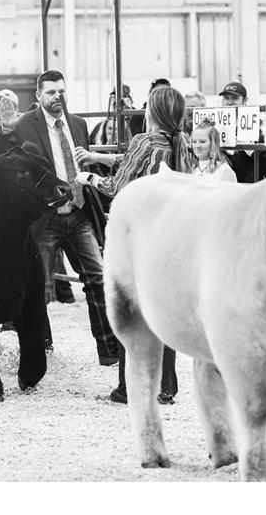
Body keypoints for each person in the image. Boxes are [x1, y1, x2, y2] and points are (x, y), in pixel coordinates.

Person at [0, 69, 118, 366]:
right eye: (51, 92)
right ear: (38, 96)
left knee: (97, 277)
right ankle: (41, 350)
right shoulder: (23, 125)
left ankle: (109, 351)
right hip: (44, 216)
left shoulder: (78, 124)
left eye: (61, 91)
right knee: (37, 286)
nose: (57, 96)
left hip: (79, 211)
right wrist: (7, 129)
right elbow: (1, 158)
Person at [75, 86, 193, 405]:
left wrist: (88, 178)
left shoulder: (144, 142)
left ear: (152, 112)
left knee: (132, 311)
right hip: (174, 239)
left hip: (142, 238)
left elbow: (116, 187)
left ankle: (130, 388)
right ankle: (166, 386)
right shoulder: (185, 147)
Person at [221, 81, 266, 183]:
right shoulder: (216, 124)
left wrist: (252, 153)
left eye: (235, 98)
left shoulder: (257, 125)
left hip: (248, 185)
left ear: (245, 100)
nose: (230, 102)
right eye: (226, 98)